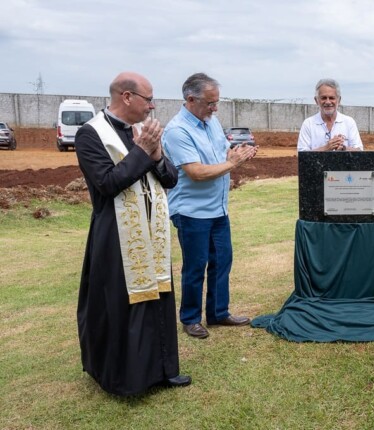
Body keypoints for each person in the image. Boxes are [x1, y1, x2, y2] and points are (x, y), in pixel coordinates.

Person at [75, 71, 190, 396]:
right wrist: (142, 151)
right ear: (126, 97)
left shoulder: (143, 131)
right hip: (115, 235)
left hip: (150, 232)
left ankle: (164, 370)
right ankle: (126, 378)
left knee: (159, 298)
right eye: (148, 99)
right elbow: (108, 183)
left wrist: (154, 154)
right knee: (121, 304)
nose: (152, 106)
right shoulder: (90, 135)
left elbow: (169, 180)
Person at [162, 73, 257, 339]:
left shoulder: (211, 122)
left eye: (217, 102)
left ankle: (218, 312)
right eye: (210, 103)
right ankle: (190, 318)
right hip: (192, 212)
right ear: (191, 99)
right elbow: (196, 172)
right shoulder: (177, 131)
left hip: (218, 209)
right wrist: (233, 164)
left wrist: (237, 154)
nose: (215, 108)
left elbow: (222, 153)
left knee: (222, 261)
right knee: (195, 265)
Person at [297, 78, 364, 151]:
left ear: (339, 100)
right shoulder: (308, 124)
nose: (328, 102)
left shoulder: (349, 122)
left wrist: (343, 148)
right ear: (316, 100)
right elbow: (302, 155)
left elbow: (359, 151)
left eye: (332, 98)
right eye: (323, 98)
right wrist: (326, 148)